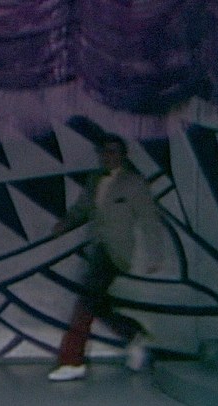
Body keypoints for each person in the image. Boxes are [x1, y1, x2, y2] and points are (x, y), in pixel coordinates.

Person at [48, 134, 164, 381]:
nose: (109, 156)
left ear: (123, 155)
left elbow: (149, 220)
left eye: (114, 151)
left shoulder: (134, 183)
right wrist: (65, 223)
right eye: (105, 151)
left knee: (85, 301)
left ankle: (72, 360)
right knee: (95, 303)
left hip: (116, 252)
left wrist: (154, 255)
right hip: (97, 249)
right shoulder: (94, 180)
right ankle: (133, 333)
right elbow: (82, 209)